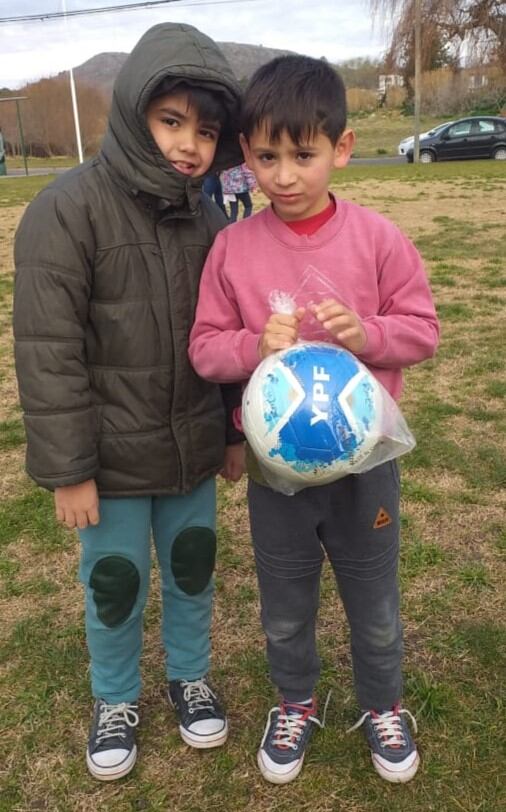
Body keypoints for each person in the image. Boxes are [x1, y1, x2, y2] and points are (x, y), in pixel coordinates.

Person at [189, 55, 439, 786]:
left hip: (367, 467)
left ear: (343, 148)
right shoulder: (233, 249)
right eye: (267, 157)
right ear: (246, 156)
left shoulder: (379, 240)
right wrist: (250, 346)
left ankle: (383, 703)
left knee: (375, 597)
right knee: (286, 602)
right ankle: (294, 700)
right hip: (277, 476)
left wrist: (368, 336)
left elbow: (424, 330)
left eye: (304, 155)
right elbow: (205, 349)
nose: (285, 176)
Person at [13, 22, 245, 782]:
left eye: (207, 132)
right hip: (108, 465)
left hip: (191, 454)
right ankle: (115, 698)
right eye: (171, 120)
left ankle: (190, 677)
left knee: (191, 566)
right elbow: (49, 352)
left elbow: (230, 330)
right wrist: (69, 470)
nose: (190, 145)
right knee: (115, 585)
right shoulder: (66, 210)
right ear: (134, 113)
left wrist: (234, 429)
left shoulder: (212, 219)